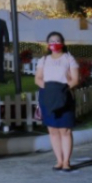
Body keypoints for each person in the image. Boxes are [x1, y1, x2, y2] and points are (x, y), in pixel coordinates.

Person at [35, 31, 79, 172]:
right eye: (51, 41)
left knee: (65, 130)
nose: (54, 43)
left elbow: (75, 80)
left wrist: (62, 89)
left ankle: (66, 161)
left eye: (57, 40)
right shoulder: (44, 59)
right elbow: (38, 78)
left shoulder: (69, 58)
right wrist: (49, 89)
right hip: (47, 97)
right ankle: (59, 161)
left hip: (64, 96)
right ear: (48, 44)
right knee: (53, 130)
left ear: (63, 43)